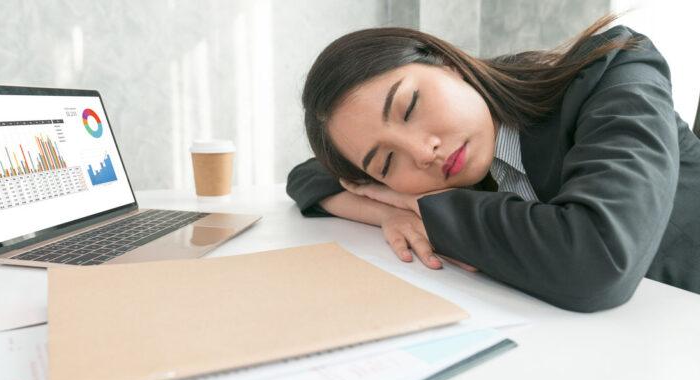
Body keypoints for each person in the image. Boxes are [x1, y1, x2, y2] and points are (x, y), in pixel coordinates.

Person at [286, 14, 700, 312]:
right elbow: (307, 176)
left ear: (448, 62)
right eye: (387, 163)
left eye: (410, 106)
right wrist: (383, 212)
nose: (422, 152)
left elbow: (597, 262)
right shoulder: (451, 145)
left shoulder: (615, 71)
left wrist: (425, 206)